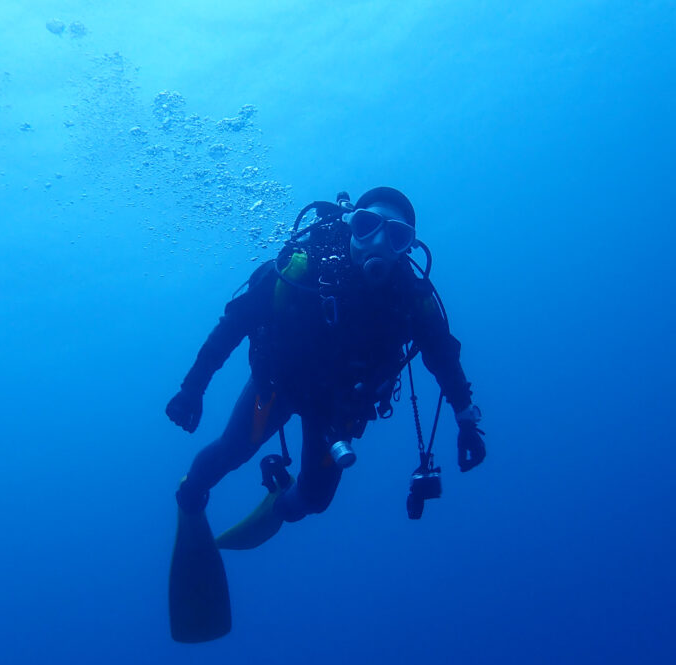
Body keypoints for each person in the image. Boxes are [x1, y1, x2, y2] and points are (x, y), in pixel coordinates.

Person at [165, 187, 486, 642]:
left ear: (408, 247)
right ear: (350, 224)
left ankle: (281, 499)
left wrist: (467, 420)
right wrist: (192, 388)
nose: (377, 242)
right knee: (230, 451)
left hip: (337, 412)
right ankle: (191, 494)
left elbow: (443, 358)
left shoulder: (410, 298)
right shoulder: (302, 267)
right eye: (366, 225)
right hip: (278, 387)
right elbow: (234, 322)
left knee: (313, 501)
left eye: (395, 236)